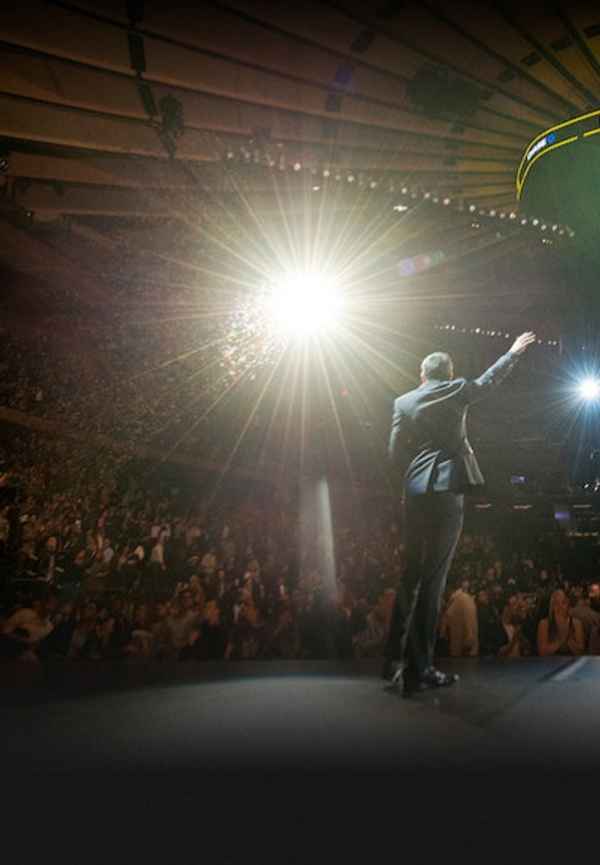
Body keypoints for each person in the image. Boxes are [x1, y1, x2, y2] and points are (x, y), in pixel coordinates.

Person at [383, 331, 537, 694]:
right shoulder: (458, 389)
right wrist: (512, 352)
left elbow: (393, 454)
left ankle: (392, 662)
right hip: (446, 492)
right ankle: (419, 670)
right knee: (433, 583)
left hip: (415, 492)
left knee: (410, 578)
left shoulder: (403, 402)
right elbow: (489, 381)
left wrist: (407, 485)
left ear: (422, 375)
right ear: (449, 374)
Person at [537, 589, 585, 657]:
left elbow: (581, 651)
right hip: (549, 665)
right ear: (552, 606)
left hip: (571, 664)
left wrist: (568, 641)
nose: (560, 607)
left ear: (568, 604)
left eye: (563, 603)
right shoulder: (544, 624)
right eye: (556, 603)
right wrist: (560, 641)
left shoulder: (576, 623)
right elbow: (542, 652)